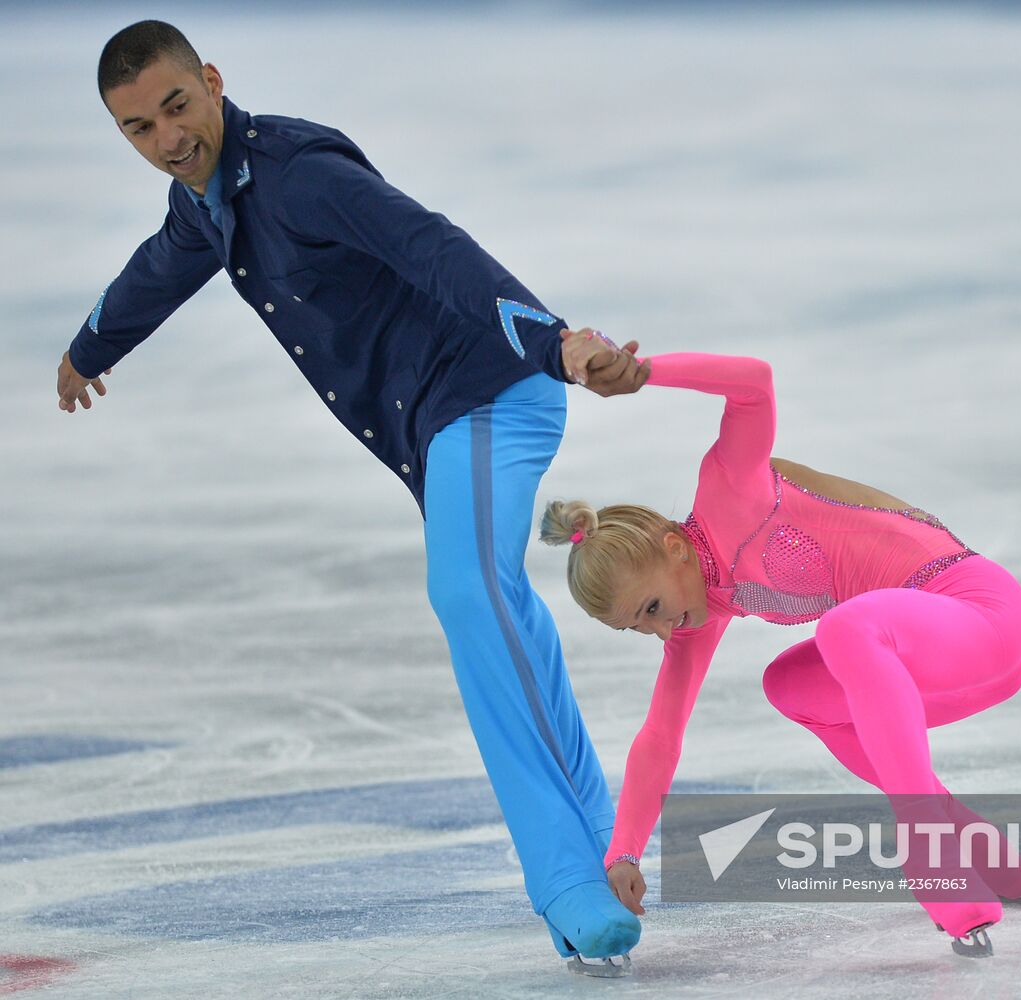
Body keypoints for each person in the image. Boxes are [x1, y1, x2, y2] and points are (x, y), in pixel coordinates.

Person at [56, 20, 651, 975]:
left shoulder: (299, 173)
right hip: (442, 428)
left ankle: (568, 880)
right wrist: (90, 347)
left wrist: (554, 341)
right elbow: (161, 267)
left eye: (176, 105)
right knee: (500, 613)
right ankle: (595, 852)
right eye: (137, 128)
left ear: (212, 82)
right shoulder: (205, 201)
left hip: (490, 390)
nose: (167, 137)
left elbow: (434, 248)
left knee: (470, 594)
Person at [541, 338, 1021, 958]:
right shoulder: (699, 621)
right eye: (639, 629)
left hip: (981, 615)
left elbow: (753, 382)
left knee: (844, 632)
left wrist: (646, 373)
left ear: (673, 547)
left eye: (651, 609)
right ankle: (973, 844)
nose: (661, 632)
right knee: (791, 684)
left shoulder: (730, 486)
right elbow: (660, 737)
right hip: (926, 663)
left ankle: (930, 849)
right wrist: (622, 851)